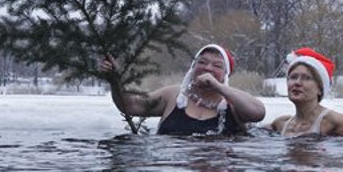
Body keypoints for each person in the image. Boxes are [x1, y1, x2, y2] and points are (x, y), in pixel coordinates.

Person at [99, 44, 266, 135]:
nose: (208, 68)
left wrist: (218, 87)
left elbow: (258, 113)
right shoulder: (173, 96)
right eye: (202, 62)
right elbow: (130, 105)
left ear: (225, 75)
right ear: (192, 68)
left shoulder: (233, 102)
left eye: (217, 66)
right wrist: (115, 80)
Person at [269, 48, 343, 138]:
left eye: (306, 78)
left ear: (320, 89)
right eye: (293, 77)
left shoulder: (333, 122)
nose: (297, 83)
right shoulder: (281, 123)